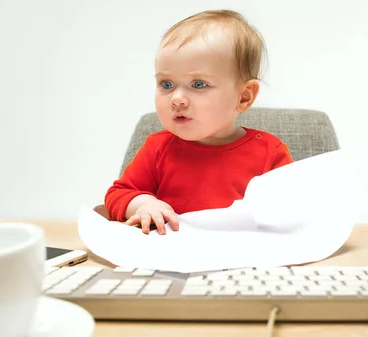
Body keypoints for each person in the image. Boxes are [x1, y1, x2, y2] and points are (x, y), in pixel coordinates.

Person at [104, 9, 293, 234]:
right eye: (166, 84)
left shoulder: (270, 152)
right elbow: (118, 195)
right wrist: (143, 205)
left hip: (242, 261)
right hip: (172, 260)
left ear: (244, 97)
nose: (177, 99)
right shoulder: (158, 148)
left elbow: (294, 211)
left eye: (198, 84)